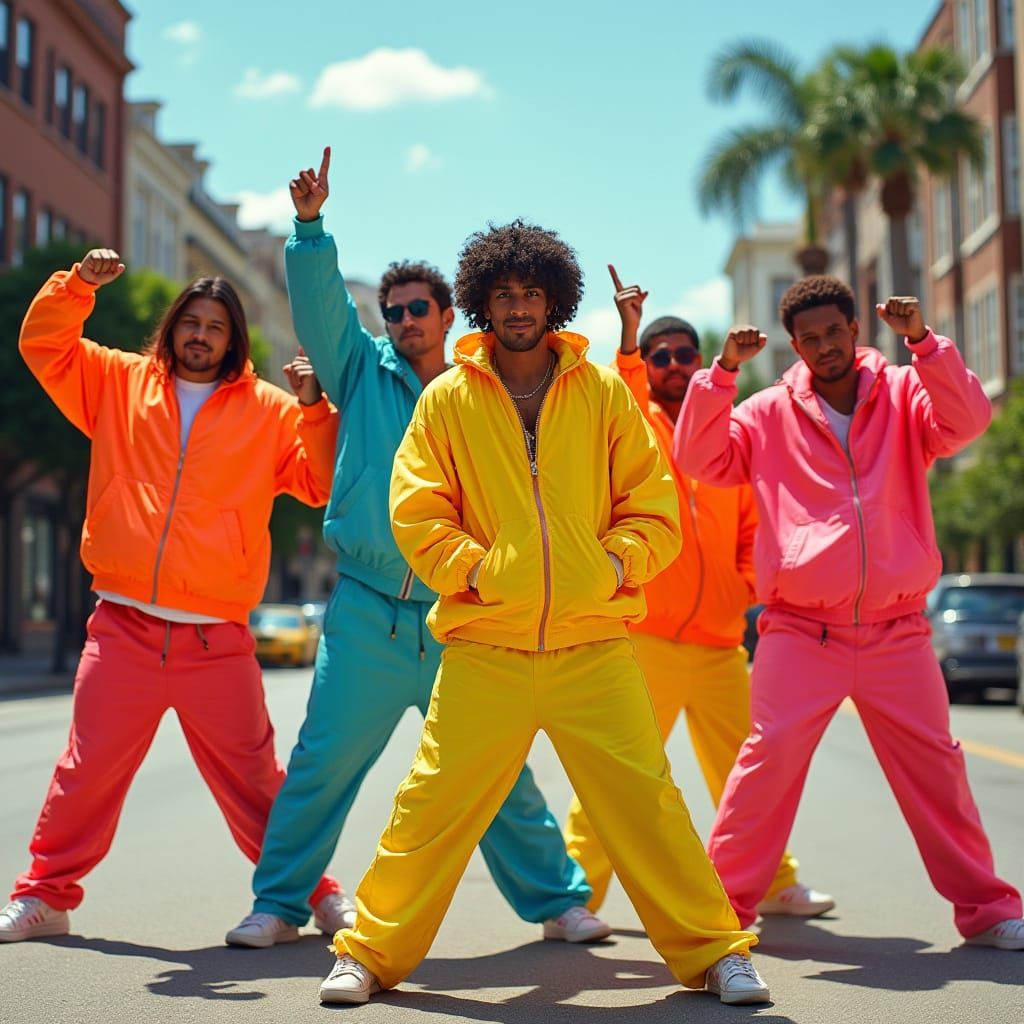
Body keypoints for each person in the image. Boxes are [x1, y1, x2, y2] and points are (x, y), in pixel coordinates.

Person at [317, 220, 771, 1007]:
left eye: (531, 293)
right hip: (485, 648)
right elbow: (418, 512)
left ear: (555, 300)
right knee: (428, 806)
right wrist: (479, 574)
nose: (519, 307)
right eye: (503, 295)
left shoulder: (599, 393)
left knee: (651, 806)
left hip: (593, 645)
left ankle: (714, 951)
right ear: (482, 304)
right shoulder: (448, 401)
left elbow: (652, 505)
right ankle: (371, 952)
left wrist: (613, 564)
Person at [226, 151, 602, 950]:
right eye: (392, 310)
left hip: (463, 617)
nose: (403, 321)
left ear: (447, 313)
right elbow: (322, 308)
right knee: (320, 765)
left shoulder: (483, 388)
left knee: (498, 776)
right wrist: (309, 229)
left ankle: (559, 901)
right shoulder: (360, 371)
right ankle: (281, 903)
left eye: (417, 307)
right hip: (366, 610)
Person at [0, 249, 341, 942]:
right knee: (85, 771)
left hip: (216, 639)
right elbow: (44, 344)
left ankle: (318, 893)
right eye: (191, 321)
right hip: (123, 627)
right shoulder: (117, 380)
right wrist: (77, 287)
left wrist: (312, 407)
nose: (201, 335)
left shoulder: (269, 411)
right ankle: (45, 897)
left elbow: (318, 483)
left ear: (233, 339)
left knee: (255, 782)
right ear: (172, 327)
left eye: (216, 326)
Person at [673, 275, 1024, 949]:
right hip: (801, 630)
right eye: (810, 338)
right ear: (795, 345)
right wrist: (721, 374)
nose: (825, 346)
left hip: (898, 630)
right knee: (765, 760)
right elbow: (698, 458)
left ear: (856, 329)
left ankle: (986, 909)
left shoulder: (903, 392)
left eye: (835, 331)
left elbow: (970, 421)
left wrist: (924, 343)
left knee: (938, 770)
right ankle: (721, 917)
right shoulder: (766, 411)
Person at [562, 266, 833, 919]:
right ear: (648, 365)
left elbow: (750, 521)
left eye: (687, 354)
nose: (676, 364)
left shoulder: (726, 430)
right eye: (663, 356)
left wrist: (744, 584)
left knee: (752, 773)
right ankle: (575, 898)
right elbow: (621, 381)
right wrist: (629, 333)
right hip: (643, 639)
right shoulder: (629, 419)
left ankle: (772, 881)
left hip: (717, 643)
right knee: (614, 773)